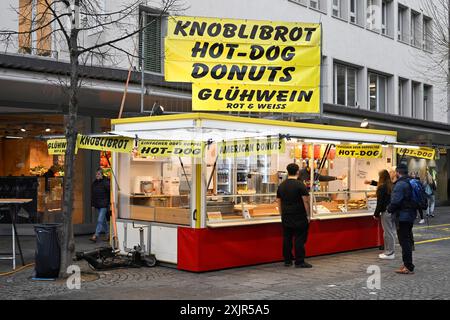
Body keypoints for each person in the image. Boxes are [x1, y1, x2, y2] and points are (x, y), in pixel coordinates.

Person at [277, 163, 312, 268]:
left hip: (286, 215)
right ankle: (299, 261)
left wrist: (281, 214)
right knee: (299, 239)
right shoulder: (300, 185)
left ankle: (287, 260)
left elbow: (278, 201)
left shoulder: (281, 185)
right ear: (297, 172)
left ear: (288, 172)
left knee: (287, 238)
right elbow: (305, 201)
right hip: (299, 215)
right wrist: (308, 215)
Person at [387, 164, 416, 275]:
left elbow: (395, 201)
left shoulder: (400, 185)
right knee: (407, 240)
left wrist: (389, 209)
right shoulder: (410, 181)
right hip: (410, 215)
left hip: (402, 217)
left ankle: (408, 266)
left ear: (398, 173)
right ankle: (407, 264)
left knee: (404, 242)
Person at [371, 170, 395, 260]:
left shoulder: (382, 187)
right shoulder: (391, 185)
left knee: (387, 232)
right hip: (392, 211)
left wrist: (376, 214)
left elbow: (380, 202)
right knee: (391, 232)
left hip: (386, 212)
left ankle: (389, 252)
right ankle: (390, 251)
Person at [90, 168, 110, 242]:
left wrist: (109, 203)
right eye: (96, 174)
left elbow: (109, 194)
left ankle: (96, 235)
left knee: (99, 220)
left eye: (98, 174)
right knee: (103, 221)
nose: (97, 175)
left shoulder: (106, 183)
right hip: (98, 205)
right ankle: (108, 234)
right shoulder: (94, 183)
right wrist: (92, 204)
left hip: (104, 205)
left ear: (102, 174)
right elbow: (93, 195)